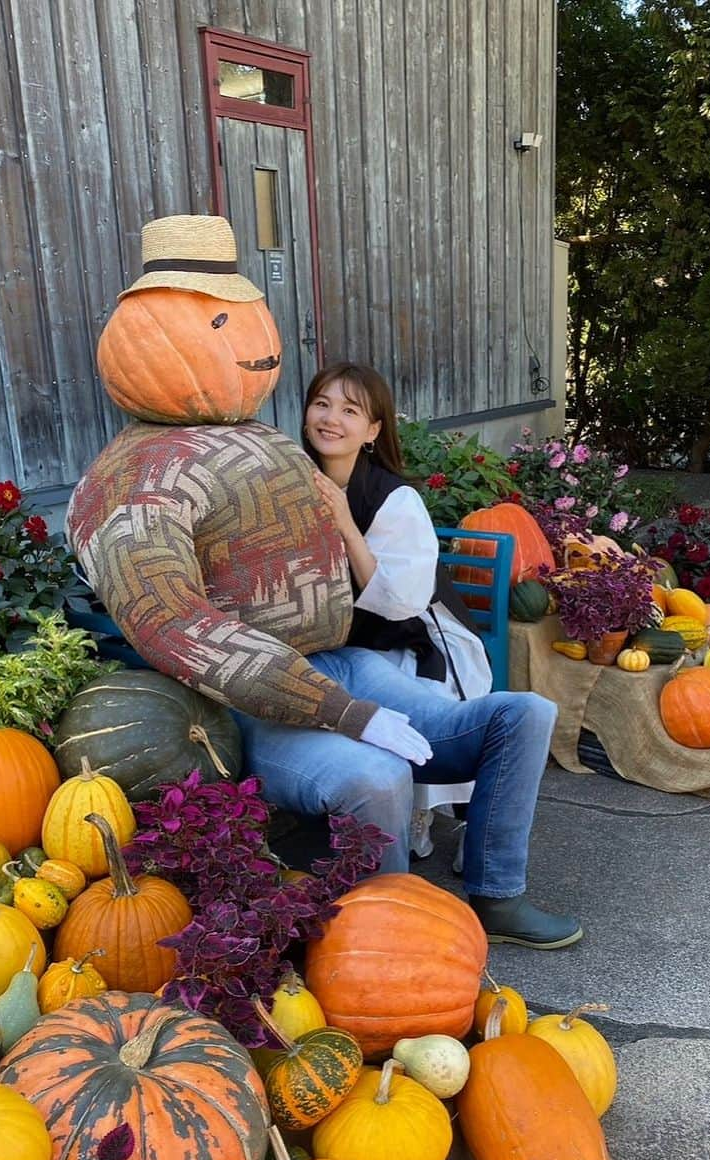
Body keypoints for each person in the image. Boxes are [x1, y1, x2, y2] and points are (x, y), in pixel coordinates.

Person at [70, 213, 579, 949]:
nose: (256, 345)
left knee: (524, 714)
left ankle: (496, 894)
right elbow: (171, 619)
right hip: (254, 703)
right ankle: (390, 944)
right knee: (376, 777)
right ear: (147, 339)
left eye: (251, 319)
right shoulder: (133, 480)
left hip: (351, 661)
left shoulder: (267, 441)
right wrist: (341, 712)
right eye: (220, 324)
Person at [303, 363, 490, 866]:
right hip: (339, 636)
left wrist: (343, 520)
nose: (330, 419)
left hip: (414, 633)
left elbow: (401, 599)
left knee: (413, 703)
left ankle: (435, 812)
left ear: (373, 430)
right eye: (321, 404)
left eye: (350, 410)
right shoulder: (295, 480)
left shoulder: (395, 498)